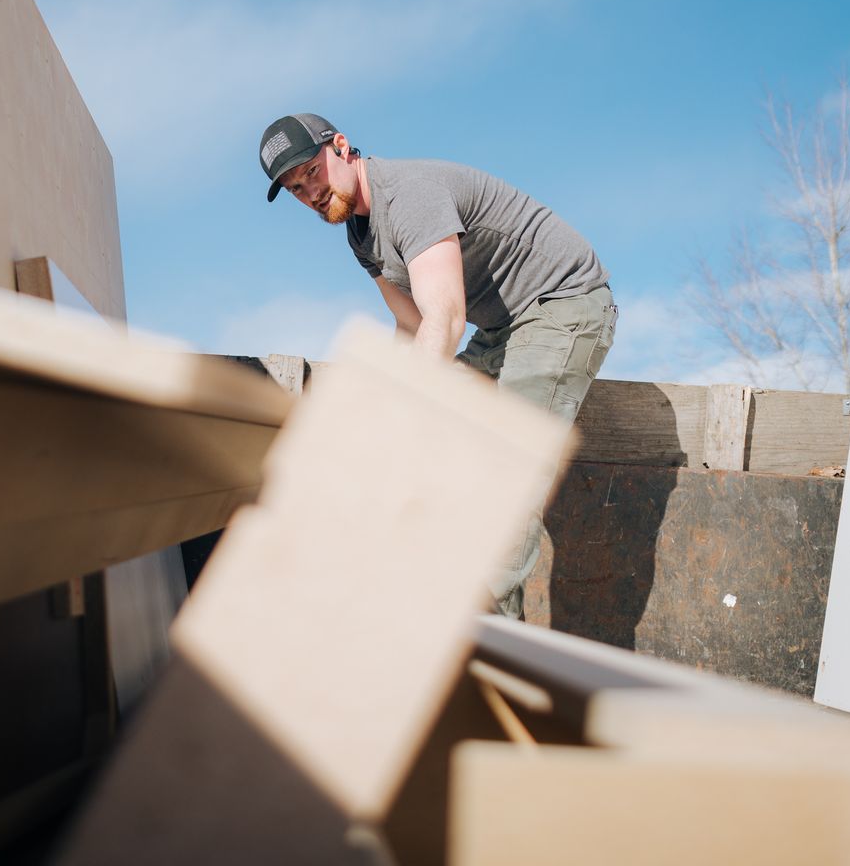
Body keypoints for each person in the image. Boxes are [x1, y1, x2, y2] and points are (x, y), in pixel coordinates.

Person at [258, 112, 616, 618]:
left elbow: (444, 320)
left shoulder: (408, 196)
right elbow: (409, 326)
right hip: (503, 330)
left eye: (312, 171)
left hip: (561, 305)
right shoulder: (360, 235)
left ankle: (485, 637)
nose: (310, 193)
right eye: (296, 188)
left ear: (341, 146)